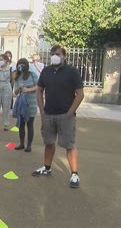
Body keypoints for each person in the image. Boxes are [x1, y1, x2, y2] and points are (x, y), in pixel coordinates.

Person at [33, 45, 84, 188]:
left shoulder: (72, 72)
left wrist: (70, 113)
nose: (55, 56)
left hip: (65, 116)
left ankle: (74, 174)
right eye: (53, 54)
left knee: (69, 145)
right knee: (49, 142)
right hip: (48, 114)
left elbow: (80, 94)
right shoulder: (46, 71)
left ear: (64, 56)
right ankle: (47, 168)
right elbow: (39, 90)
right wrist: (42, 111)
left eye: (58, 54)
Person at [13, 58, 38, 152]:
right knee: (21, 124)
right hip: (21, 103)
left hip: (31, 103)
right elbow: (15, 93)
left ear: (26, 66)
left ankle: (29, 145)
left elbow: (38, 86)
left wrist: (28, 89)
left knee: (30, 124)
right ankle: (22, 143)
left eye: (22, 65)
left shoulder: (32, 75)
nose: (20, 67)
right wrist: (19, 88)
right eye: (19, 65)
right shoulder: (17, 77)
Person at [0, 54, 13, 131]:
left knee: (6, 107)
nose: (0, 61)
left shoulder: (10, 69)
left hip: (6, 87)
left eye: (2, 59)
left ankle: (6, 124)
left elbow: (12, 79)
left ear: (6, 60)